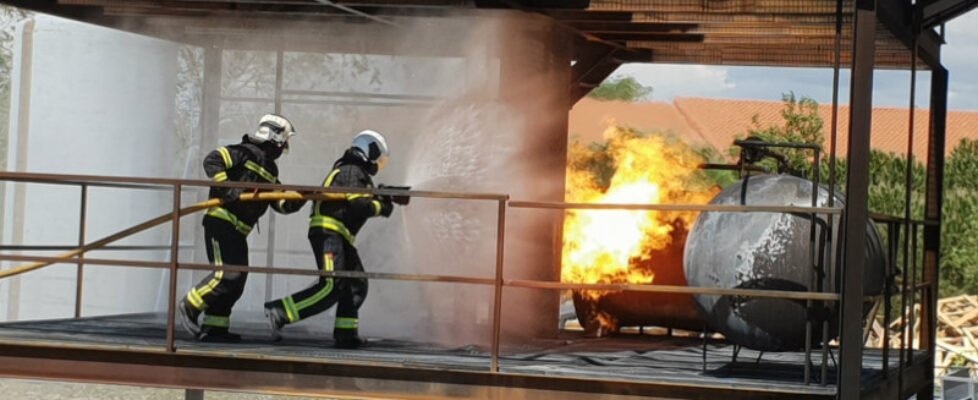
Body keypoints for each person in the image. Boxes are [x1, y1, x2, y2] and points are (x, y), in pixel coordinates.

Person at [263, 129, 406, 349]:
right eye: (378, 158)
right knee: (332, 285)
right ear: (369, 151)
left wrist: (385, 195)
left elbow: (360, 196)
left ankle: (346, 334)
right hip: (329, 232)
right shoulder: (350, 170)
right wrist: (382, 206)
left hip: (341, 236)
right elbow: (359, 204)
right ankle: (280, 311)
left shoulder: (355, 173)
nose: (378, 165)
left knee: (355, 284)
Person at [178, 114, 306, 343]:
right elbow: (212, 160)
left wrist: (301, 198)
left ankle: (216, 327)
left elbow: (279, 203)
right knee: (228, 274)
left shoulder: (270, 169)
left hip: (238, 231)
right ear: (274, 138)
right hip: (222, 222)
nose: (284, 148)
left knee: (237, 281)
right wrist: (230, 190)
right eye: (283, 142)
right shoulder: (242, 152)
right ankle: (190, 304)